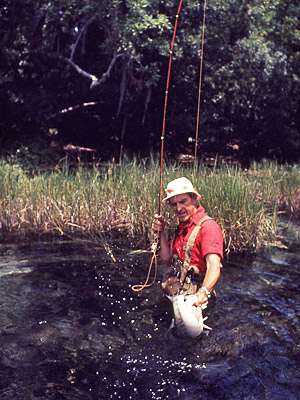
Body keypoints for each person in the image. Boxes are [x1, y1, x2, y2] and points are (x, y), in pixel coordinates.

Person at [152, 177, 223, 309]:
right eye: (174, 204)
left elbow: (214, 266)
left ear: (195, 199)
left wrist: (203, 293)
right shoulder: (181, 227)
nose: (178, 208)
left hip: (197, 303)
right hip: (177, 295)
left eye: (183, 201)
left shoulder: (209, 227)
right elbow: (167, 260)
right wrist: (161, 232)